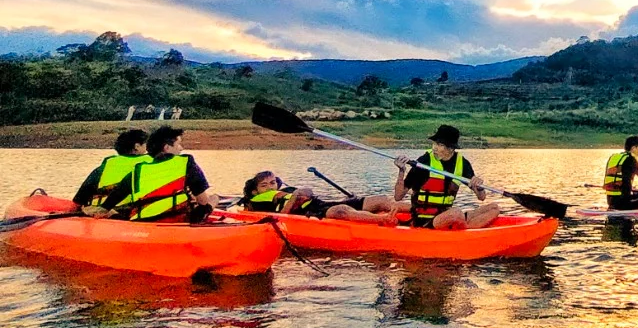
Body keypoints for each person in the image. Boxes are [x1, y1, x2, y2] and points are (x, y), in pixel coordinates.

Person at [89, 125, 220, 222]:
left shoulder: (138, 169)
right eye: (178, 144)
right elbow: (203, 201)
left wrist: (97, 212)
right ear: (167, 148)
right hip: (173, 223)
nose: (181, 148)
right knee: (213, 198)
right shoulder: (187, 162)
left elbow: (109, 203)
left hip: (141, 222)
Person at [393, 124, 499, 230]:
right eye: (434, 143)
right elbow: (398, 196)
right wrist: (401, 171)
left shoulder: (462, 163)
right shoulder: (424, 161)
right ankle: (463, 230)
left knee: (494, 208)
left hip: (446, 215)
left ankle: (462, 227)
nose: (434, 148)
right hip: (425, 220)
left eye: (439, 145)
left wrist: (479, 188)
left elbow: (481, 197)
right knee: (456, 212)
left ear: (451, 148)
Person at [241, 171, 402, 225]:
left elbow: (307, 193)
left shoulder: (285, 190)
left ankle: (422, 208)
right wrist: (294, 200)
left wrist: (300, 194)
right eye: (264, 185)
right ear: (255, 191)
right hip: (307, 213)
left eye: (273, 182)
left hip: (319, 204)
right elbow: (283, 216)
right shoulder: (258, 200)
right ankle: (383, 219)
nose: (270, 187)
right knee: (342, 210)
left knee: (379, 199)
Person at [73, 129, 151, 208]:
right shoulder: (149, 163)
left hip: (98, 209)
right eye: (146, 145)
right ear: (137, 146)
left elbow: (81, 197)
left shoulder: (105, 166)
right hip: (128, 212)